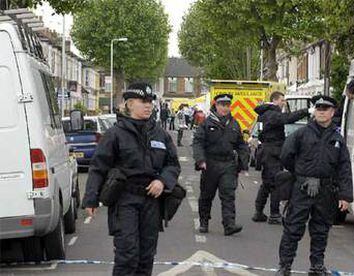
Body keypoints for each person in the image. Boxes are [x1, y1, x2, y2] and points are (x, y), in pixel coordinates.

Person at [82, 82, 181, 276]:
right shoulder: (115, 134)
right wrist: (91, 198)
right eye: (143, 101)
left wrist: (162, 181)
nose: (148, 106)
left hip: (151, 201)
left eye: (150, 101)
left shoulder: (160, 134)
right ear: (129, 104)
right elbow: (98, 167)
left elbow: (173, 164)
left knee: (146, 257)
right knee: (127, 255)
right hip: (125, 200)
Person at [276, 95, 353, 275]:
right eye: (318, 108)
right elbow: (286, 155)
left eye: (325, 109)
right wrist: (302, 175)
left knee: (320, 230)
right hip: (303, 189)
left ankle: (316, 266)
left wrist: (345, 196)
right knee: (293, 228)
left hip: (326, 190)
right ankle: (284, 266)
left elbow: (344, 168)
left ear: (332, 112)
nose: (321, 112)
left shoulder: (337, 139)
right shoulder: (301, 134)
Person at [193, 94, 249, 236]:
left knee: (228, 195)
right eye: (222, 105)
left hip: (228, 164)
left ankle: (229, 224)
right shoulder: (206, 123)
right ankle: (204, 221)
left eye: (227, 105)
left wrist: (243, 164)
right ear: (216, 106)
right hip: (210, 164)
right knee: (206, 195)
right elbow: (198, 142)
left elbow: (241, 145)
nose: (225, 108)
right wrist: (201, 160)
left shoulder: (234, 124)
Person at [252, 91, 310, 224]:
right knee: (275, 183)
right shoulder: (272, 113)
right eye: (282, 100)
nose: (284, 103)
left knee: (267, 183)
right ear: (275, 100)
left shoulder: (265, 113)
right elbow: (288, 118)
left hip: (268, 151)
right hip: (272, 151)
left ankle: (259, 211)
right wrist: (306, 111)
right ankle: (274, 214)